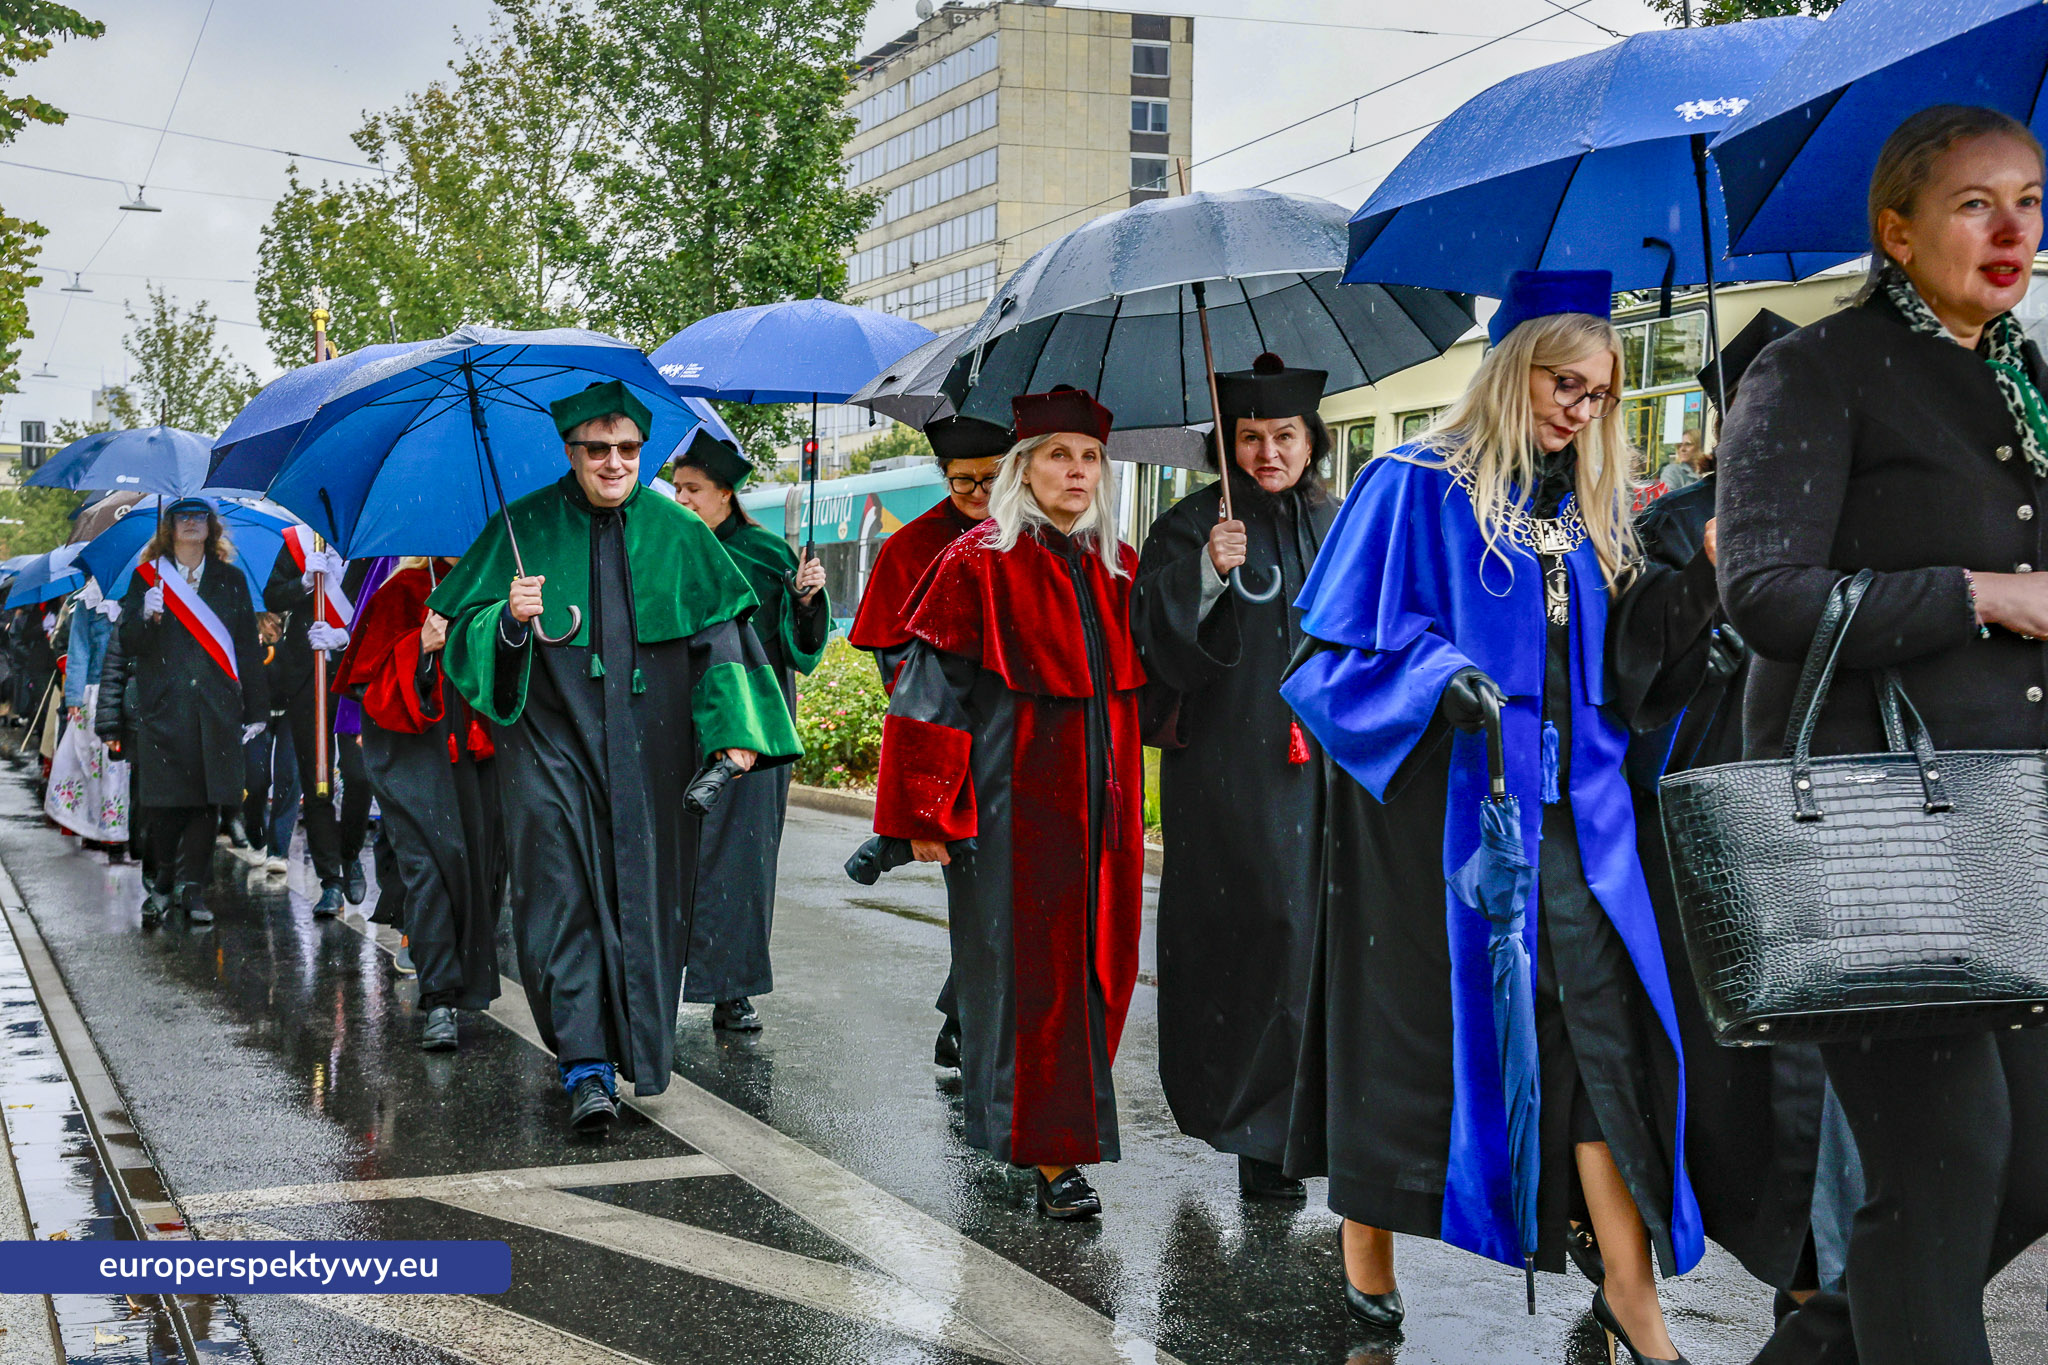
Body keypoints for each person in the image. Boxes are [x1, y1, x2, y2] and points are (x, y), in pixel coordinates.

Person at [1282, 271, 1702, 1359]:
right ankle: (1365, 1254)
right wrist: (1429, 680)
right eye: (1566, 383)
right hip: (1439, 830)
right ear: (1512, 369)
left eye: (1601, 393)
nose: (1582, 409)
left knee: (1605, 1047)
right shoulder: (1408, 484)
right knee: (1413, 1052)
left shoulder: (1594, 508)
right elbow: (1324, 663)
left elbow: (1629, 677)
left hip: (1585, 831)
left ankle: (1631, 1297)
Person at [1715, 104, 2048, 1365]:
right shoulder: (1813, 369)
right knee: (1943, 1169)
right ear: (1895, 231)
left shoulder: (2018, 377)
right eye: (1974, 202)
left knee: (2020, 1169)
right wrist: (1975, 593)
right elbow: (1764, 594)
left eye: (2025, 197)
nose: (2010, 226)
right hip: (1880, 836)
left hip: (2008, 829)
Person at [429, 381, 800, 1134]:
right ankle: (587, 1066)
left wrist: (737, 733)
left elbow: (722, 641)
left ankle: (632, 1046)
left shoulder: (678, 531)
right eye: (597, 449)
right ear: (571, 452)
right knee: (561, 898)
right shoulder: (521, 527)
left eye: (627, 449)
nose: (612, 462)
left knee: (646, 904)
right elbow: (456, 636)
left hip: (651, 754)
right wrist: (507, 620)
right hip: (547, 751)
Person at [872, 386, 1146, 1221]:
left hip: (1106, 822)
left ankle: (1061, 1136)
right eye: (1059, 455)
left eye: (1090, 456)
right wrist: (924, 816)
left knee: (1100, 975)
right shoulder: (977, 562)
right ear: (1023, 472)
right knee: (1026, 988)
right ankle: (1051, 1154)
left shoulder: (1120, 565)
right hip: (1011, 815)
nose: (1077, 470)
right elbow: (927, 698)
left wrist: (1214, 580)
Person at [1130, 352, 1336, 1201]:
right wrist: (1206, 574)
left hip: (1327, 770)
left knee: (1317, 945)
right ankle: (1254, 1127)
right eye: (1249, 437)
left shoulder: (1340, 520)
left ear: (1310, 438)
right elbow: (1151, 641)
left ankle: (1305, 1122)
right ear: (1226, 445)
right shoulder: (1187, 527)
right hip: (1229, 776)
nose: (1268, 453)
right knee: (1256, 939)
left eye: (1283, 435)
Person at [847, 412, 1012, 1070]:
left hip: (1016, 742)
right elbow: (896, 659)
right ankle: (974, 1024)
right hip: (951, 739)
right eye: (961, 481)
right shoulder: (909, 546)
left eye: (991, 479)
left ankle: (963, 1015)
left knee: (1006, 905)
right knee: (977, 900)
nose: (976, 493)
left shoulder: (1036, 535)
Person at [669, 429, 829, 1033]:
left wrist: (807, 600)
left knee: (743, 858)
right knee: (671, 851)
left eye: (694, 490)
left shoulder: (768, 554)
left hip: (757, 724)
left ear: (726, 494)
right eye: (678, 489)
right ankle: (661, 977)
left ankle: (731, 989)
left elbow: (803, 648)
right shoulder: (665, 547)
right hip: (680, 714)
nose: (681, 499)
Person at [336, 555, 503, 1053]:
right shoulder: (404, 589)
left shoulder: (503, 583)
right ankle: (439, 997)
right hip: (416, 758)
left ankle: (462, 979)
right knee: (428, 871)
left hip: (482, 758)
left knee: (478, 868)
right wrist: (420, 649)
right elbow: (367, 681)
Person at [117, 498, 267, 926]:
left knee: (207, 804)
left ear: (210, 527)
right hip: (166, 708)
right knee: (164, 807)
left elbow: (245, 648)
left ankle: (194, 889)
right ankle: (163, 883)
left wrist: (255, 708)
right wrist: (145, 617)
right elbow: (130, 644)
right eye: (182, 516)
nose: (190, 523)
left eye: (199, 516)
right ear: (169, 527)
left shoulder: (232, 580)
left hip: (216, 709)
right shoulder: (147, 579)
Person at [264, 532, 374, 917]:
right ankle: (330, 882)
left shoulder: (372, 538)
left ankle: (350, 853)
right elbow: (272, 595)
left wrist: (344, 636)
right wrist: (305, 583)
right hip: (308, 676)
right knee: (318, 782)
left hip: (356, 674)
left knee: (361, 776)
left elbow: (380, 602)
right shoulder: (299, 542)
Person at [46, 579, 128, 853]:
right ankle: (95, 828)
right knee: (94, 766)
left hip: (126, 694)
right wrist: (73, 696)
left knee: (121, 768)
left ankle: (123, 831)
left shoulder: (139, 596)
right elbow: (78, 650)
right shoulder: (87, 602)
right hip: (93, 696)